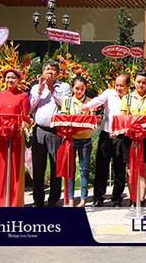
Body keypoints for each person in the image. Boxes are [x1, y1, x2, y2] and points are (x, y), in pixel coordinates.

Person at [82, 73, 131, 207]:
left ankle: (116, 198)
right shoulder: (109, 93)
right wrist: (87, 107)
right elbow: (98, 100)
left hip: (121, 136)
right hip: (106, 134)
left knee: (119, 168)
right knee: (101, 166)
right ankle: (98, 197)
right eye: (117, 85)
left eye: (121, 85)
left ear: (128, 86)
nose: (118, 88)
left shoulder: (130, 98)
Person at [29, 60, 71, 207]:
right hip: (39, 130)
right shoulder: (36, 88)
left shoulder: (64, 87)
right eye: (47, 69)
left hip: (56, 131)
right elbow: (29, 108)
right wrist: (40, 90)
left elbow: (66, 104)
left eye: (53, 70)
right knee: (38, 166)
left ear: (58, 73)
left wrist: (52, 89)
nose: (50, 72)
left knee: (56, 167)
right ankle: (38, 200)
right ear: (43, 72)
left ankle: (53, 200)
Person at [0, 67, 30, 207]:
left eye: (13, 78)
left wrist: (20, 126)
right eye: (8, 77)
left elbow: (26, 117)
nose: (10, 80)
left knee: (15, 168)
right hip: (1, 137)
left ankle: (13, 201)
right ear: (4, 79)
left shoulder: (23, 96)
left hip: (16, 136)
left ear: (18, 80)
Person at [120, 70, 146, 206]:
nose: (141, 85)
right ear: (134, 82)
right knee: (130, 168)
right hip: (130, 137)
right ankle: (132, 198)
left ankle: (141, 198)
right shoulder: (127, 99)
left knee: (145, 167)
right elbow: (123, 118)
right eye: (138, 82)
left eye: (144, 82)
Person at [60, 76, 94, 207]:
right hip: (70, 140)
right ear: (72, 88)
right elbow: (63, 120)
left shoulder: (90, 103)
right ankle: (70, 198)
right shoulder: (67, 102)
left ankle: (84, 199)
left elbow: (91, 121)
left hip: (85, 139)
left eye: (82, 89)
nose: (79, 91)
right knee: (70, 170)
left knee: (84, 169)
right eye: (77, 88)